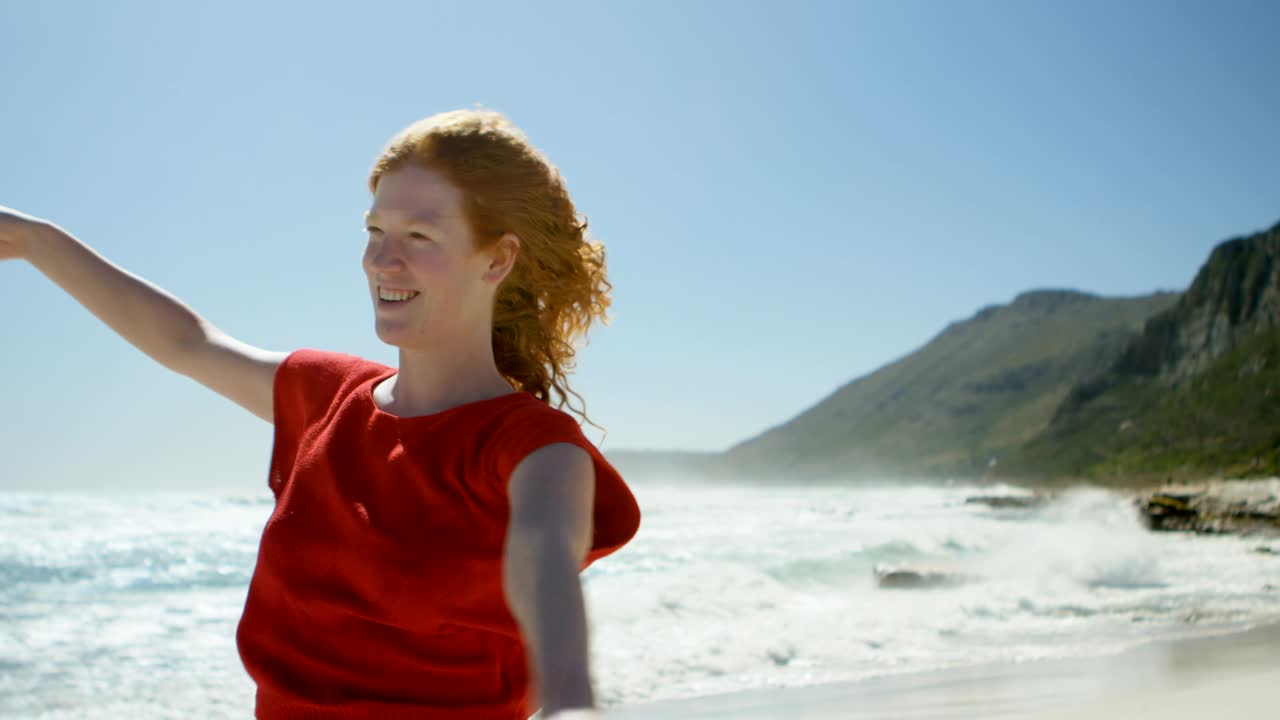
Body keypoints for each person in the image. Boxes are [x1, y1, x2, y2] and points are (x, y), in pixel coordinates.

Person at [0, 108, 642, 720]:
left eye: (418, 236)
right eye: (374, 232)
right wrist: (32, 240)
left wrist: (568, 699)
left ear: (497, 259)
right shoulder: (326, 396)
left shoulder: (533, 446)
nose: (381, 260)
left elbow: (543, 558)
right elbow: (187, 343)